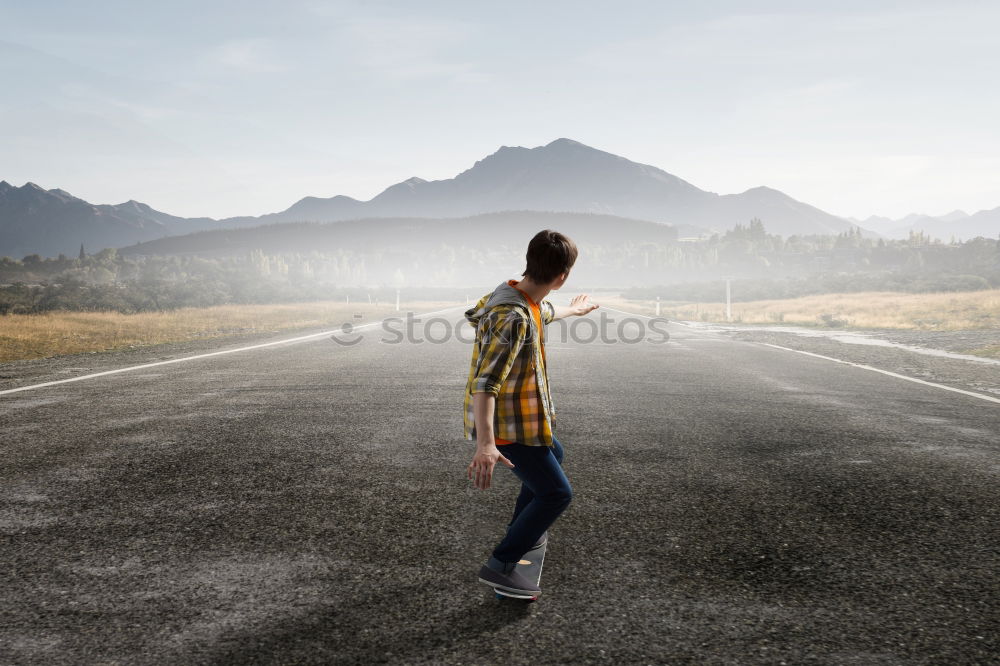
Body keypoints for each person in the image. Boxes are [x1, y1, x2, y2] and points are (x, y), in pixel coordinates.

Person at [462, 229, 599, 597]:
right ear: (562, 276)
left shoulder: (521, 299)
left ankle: (525, 530)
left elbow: (546, 312)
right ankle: (501, 565)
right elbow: (486, 383)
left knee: (555, 453)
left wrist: (575, 309)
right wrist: (487, 446)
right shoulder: (514, 317)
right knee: (556, 493)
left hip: (522, 422)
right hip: (507, 427)